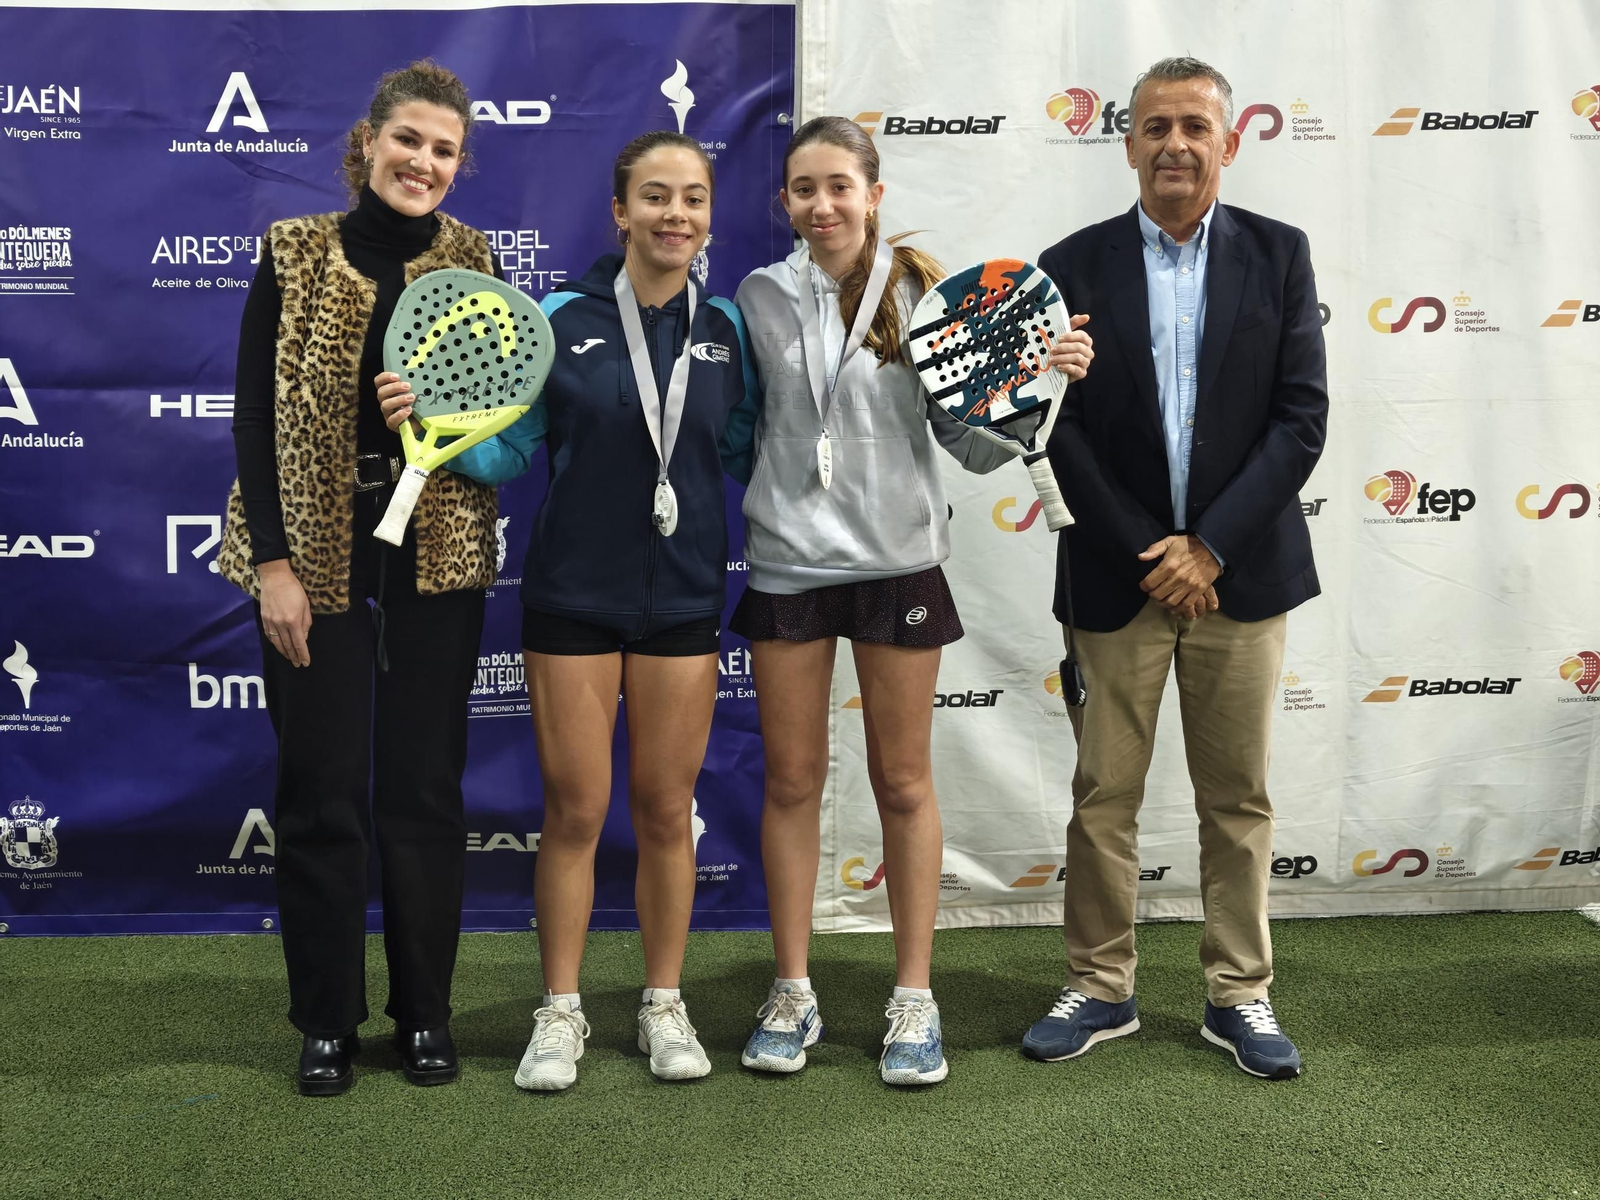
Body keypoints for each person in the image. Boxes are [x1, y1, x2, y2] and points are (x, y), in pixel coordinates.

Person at [730, 116, 1094, 1085]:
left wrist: (1032, 388)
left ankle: (913, 1000)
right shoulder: (758, 295)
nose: (822, 205)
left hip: (897, 562)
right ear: (785, 203)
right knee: (792, 783)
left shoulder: (922, 293)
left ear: (873, 193)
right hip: (789, 567)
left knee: (903, 783)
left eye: (839, 186)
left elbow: (969, 446)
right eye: (803, 189)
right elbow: (749, 429)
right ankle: (794, 990)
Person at [398, 131, 758, 1091]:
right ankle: (559, 1014)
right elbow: (510, 454)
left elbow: (751, 445)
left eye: (691, 198)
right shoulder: (559, 318)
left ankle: (662, 1005)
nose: (674, 214)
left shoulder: (724, 329)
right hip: (572, 601)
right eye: (654, 197)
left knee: (665, 812)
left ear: (708, 214)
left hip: (683, 600)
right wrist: (428, 430)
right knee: (575, 810)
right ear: (620, 212)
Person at [1022, 57, 1328, 1080]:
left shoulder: (1280, 257)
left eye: (1195, 126)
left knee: (1236, 798)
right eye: (1155, 127)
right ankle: (1100, 987)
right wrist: (1152, 556)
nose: (1175, 145)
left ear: (1229, 144)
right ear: (1128, 144)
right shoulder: (1066, 265)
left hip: (1242, 575)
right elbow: (1055, 432)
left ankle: (1238, 993)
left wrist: (1211, 547)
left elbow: (1300, 421)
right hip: (1118, 579)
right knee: (1102, 794)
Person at [217, 61, 503, 1096]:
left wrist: (433, 418)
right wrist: (274, 567)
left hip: (439, 549)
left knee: (425, 790)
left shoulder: (473, 260)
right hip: (312, 557)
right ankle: (326, 1019)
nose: (422, 162)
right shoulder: (291, 253)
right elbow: (254, 416)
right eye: (409, 141)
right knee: (321, 791)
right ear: (368, 142)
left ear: (459, 165)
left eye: (443, 150)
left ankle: (425, 1015)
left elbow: (500, 427)